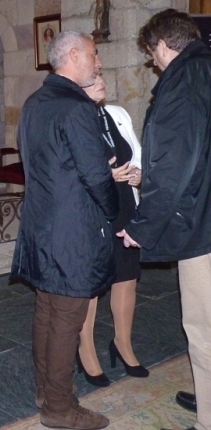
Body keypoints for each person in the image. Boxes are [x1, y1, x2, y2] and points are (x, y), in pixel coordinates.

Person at [10, 31, 118, 430]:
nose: (99, 61)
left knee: (48, 310)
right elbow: (95, 175)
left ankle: (46, 391)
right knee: (67, 318)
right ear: (73, 55)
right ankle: (59, 407)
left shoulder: (36, 102)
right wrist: (114, 214)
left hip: (41, 225)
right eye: (94, 53)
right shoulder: (76, 108)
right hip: (73, 231)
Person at [118, 9, 211, 430]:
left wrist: (143, 226)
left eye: (151, 53)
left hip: (204, 230)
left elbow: (175, 166)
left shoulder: (184, 83)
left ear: (162, 44)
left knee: (203, 329)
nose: (152, 62)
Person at [77, 75, 147, 387]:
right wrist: (106, 175)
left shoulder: (118, 114)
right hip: (94, 209)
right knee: (92, 283)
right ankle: (85, 349)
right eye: (93, 78)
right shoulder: (74, 118)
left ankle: (123, 344)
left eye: (102, 76)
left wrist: (138, 174)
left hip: (126, 206)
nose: (102, 81)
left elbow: (137, 151)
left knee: (126, 278)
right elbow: (72, 167)